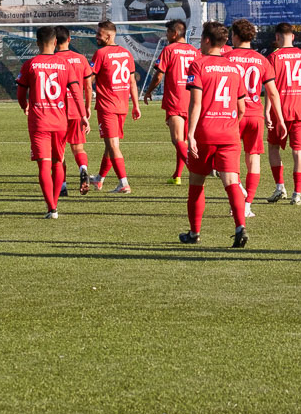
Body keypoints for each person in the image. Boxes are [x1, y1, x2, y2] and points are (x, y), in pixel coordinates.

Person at [181, 21, 250, 247]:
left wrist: (190, 133)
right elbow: (241, 108)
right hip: (229, 134)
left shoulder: (198, 65)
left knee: (196, 183)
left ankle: (194, 233)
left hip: (205, 133)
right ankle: (240, 226)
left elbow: (196, 103)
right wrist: (230, 125)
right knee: (231, 182)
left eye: (201, 39)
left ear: (207, 40)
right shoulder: (233, 68)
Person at [17, 25, 89, 218]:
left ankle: (51, 207)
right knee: (58, 162)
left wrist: (24, 105)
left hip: (39, 121)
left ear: (37, 43)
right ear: (55, 42)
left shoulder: (30, 64)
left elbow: (21, 92)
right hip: (60, 121)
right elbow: (76, 92)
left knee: (44, 165)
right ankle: (55, 203)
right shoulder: (65, 64)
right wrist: (83, 115)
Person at [226, 18, 287, 217]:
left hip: (233, 115)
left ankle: (239, 192)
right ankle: (247, 205)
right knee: (253, 158)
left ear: (234, 36)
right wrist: (280, 119)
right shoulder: (262, 60)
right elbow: (273, 92)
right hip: (255, 115)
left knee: (229, 160)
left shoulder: (227, 56)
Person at [142, 19, 200, 184]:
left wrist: (148, 91)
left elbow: (159, 75)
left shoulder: (169, 50)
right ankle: (177, 176)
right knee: (185, 140)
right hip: (192, 100)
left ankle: (196, 168)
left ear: (174, 34)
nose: (166, 36)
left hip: (176, 99)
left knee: (177, 140)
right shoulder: (195, 52)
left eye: (167, 32)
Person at [265, 22, 301, 206]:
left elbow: (271, 89)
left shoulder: (273, 57)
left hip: (281, 111)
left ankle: (280, 187)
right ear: (293, 37)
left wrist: (268, 113)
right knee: (298, 152)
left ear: (277, 37)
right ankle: (297, 193)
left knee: (273, 148)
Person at [89, 20, 141, 193]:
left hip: (107, 107)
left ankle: (123, 182)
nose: (96, 37)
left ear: (108, 36)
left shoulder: (101, 53)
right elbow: (132, 82)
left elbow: (90, 80)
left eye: (99, 34)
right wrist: (136, 105)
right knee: (110, 145)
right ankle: (99, 179)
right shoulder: (126, 53)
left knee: (113, 146)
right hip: (122, 106)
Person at [55, 26, 94, 196]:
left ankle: (62, 187)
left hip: (57, 111)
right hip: (77, 111)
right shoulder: (80, 59)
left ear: (54, 41)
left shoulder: (53, 60)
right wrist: (86, 107)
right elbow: (87, 85)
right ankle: (83, 168)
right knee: (78, 148)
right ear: (69, 39)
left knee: (59, 152)